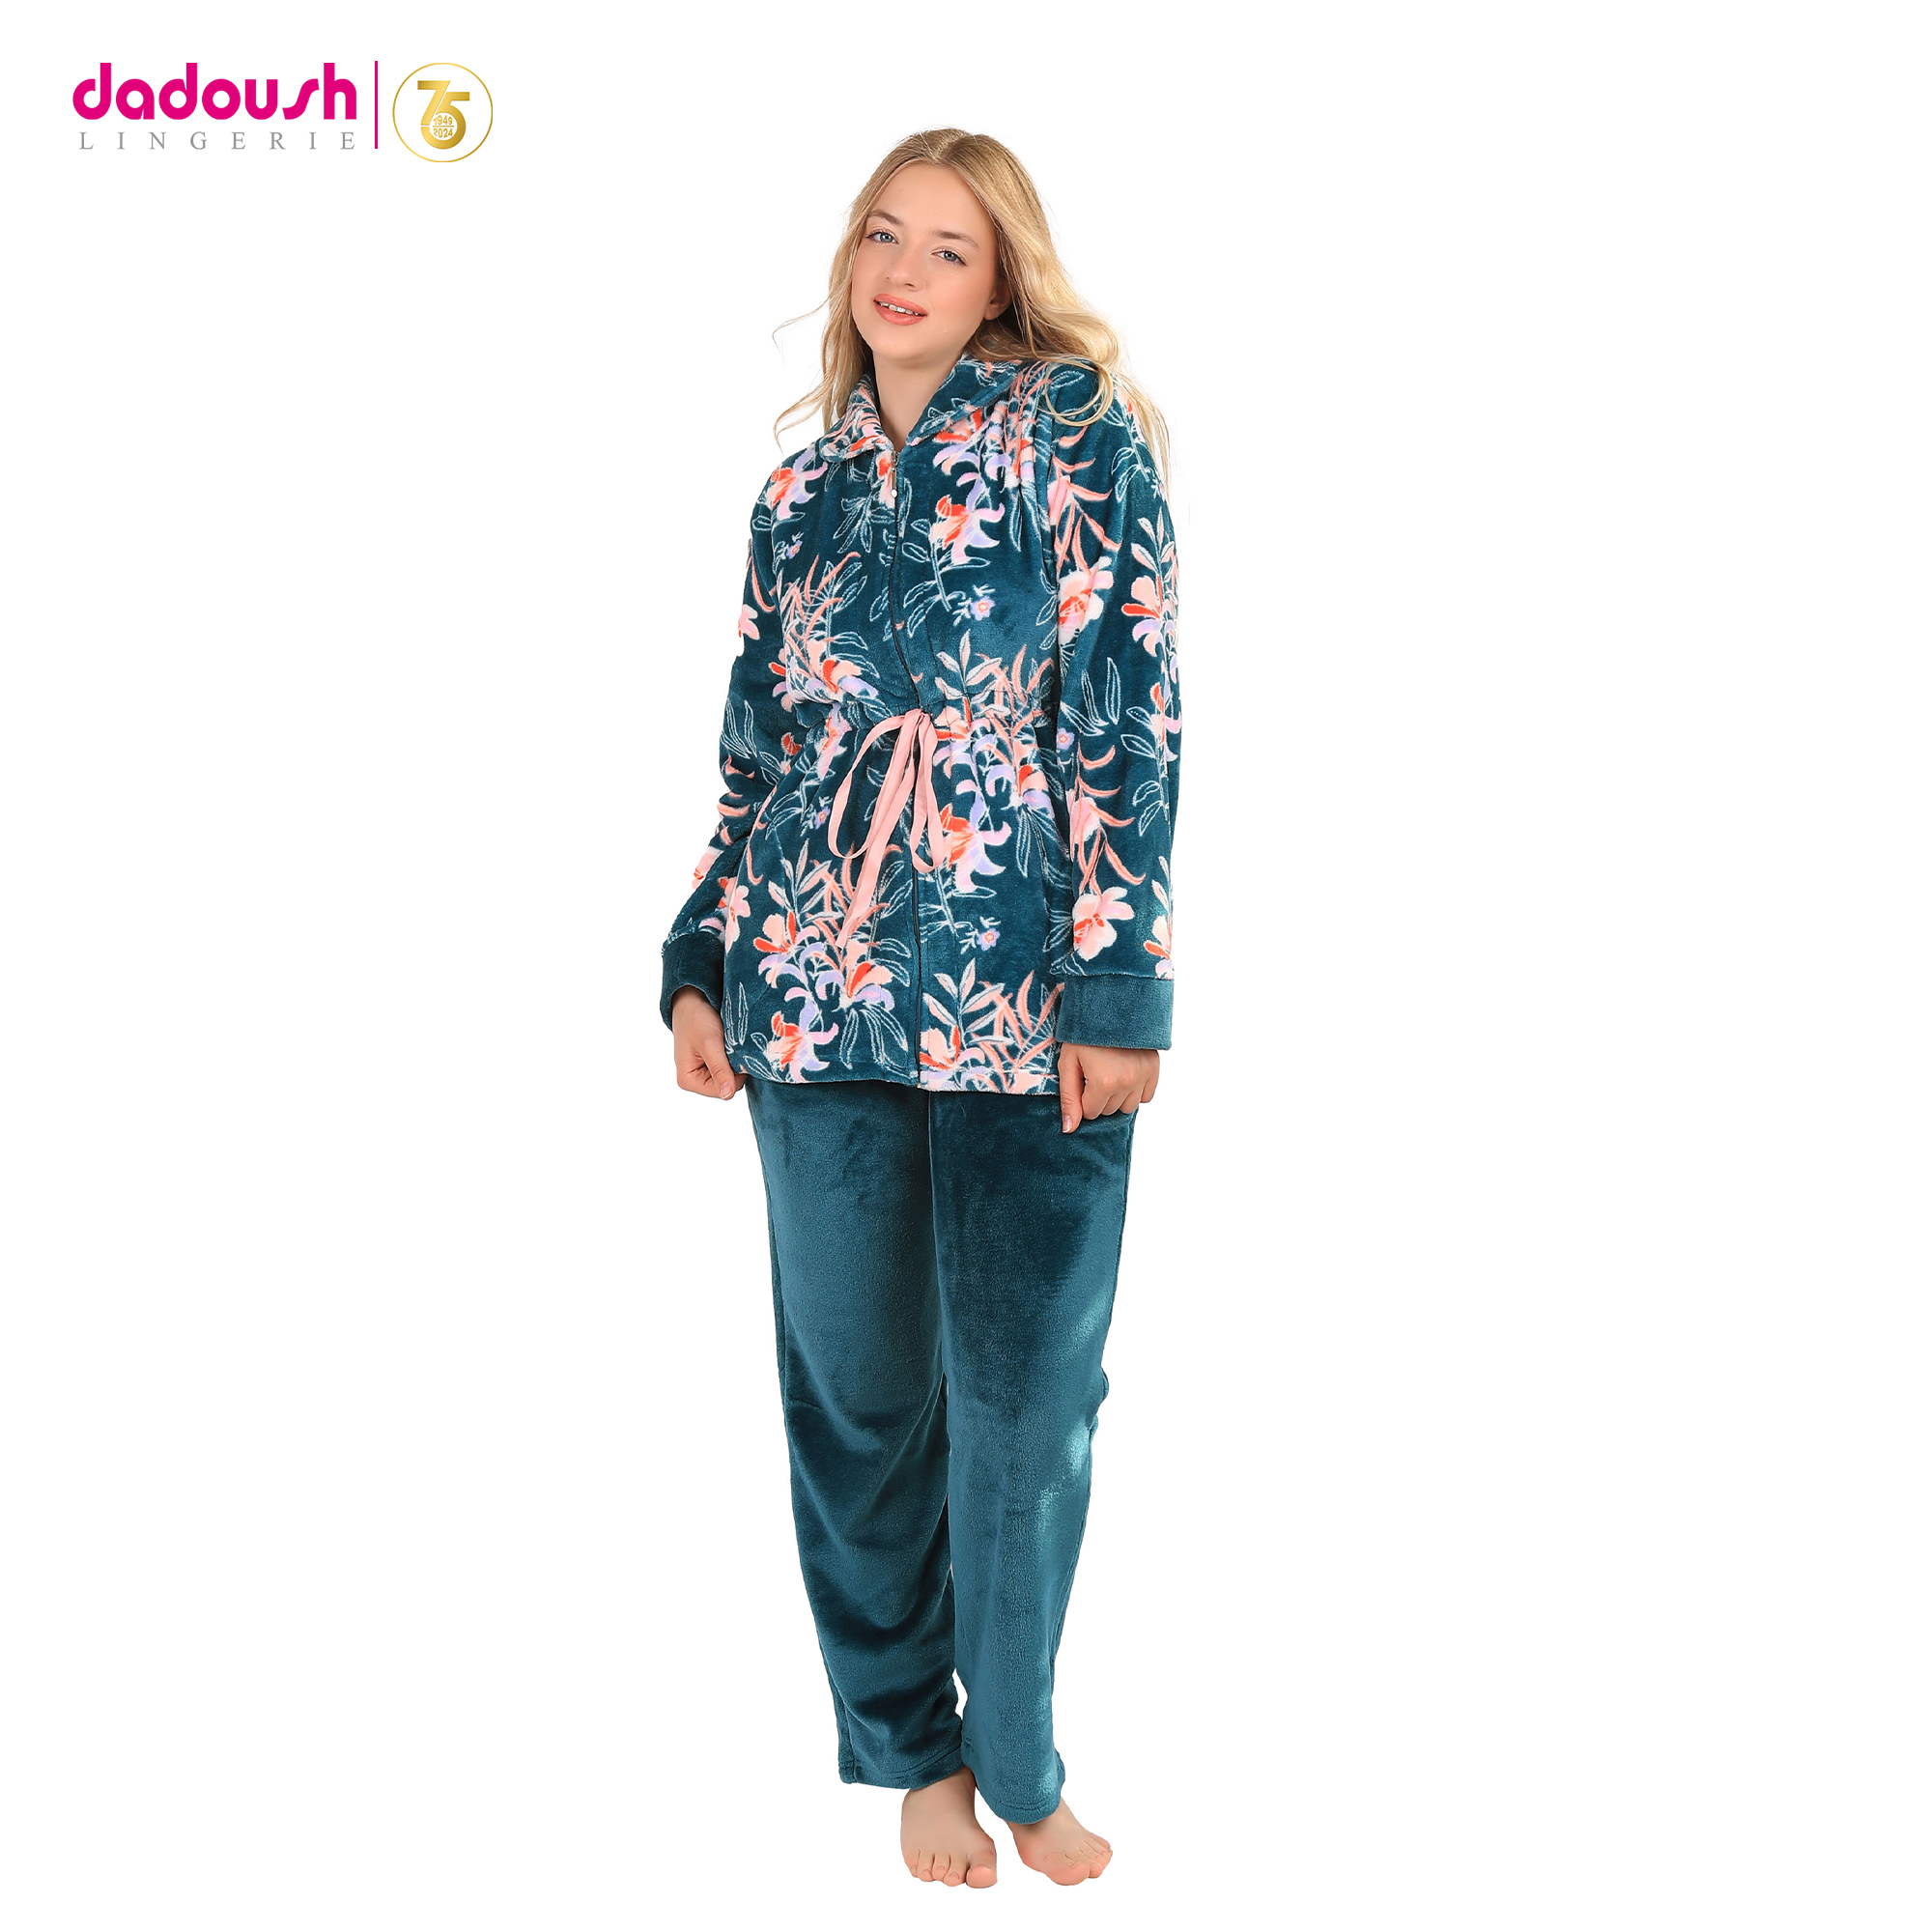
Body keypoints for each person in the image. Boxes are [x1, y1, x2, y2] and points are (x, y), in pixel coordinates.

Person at [659, 128, 1181, 1889]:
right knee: (859, 1404)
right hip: (812, 1000)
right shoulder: (797, 492)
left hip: (1029, 998)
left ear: (1002, 275)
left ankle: (1020, 1756)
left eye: (948, 248)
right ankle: (911, 1750)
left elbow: (1128, 713)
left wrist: (1120, 977)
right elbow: (756, 758)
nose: (903, 270)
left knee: (1028, 1411)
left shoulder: (1072, 432)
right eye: (883, 234)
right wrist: (701, 957)